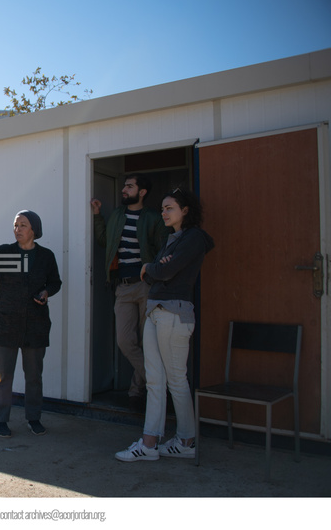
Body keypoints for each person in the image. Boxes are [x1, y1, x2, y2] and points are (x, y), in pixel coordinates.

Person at [115, 188, 214, 462]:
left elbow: (163, 271)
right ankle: (149, 444)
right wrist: (155, 268)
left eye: (169, 208)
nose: (164, 212)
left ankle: (186, 441)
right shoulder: (172, 239)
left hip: (174, 314)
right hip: (155, 311)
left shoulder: (193, 238)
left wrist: (152, 267)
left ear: (185, 210)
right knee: (155, 380)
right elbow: (155, 273)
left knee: (176, 381)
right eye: (162, 208)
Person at [0, 211, 62, 438]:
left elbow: (55, 282)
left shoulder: (46, 256)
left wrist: (46, 292)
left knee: (34, 377)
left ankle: (34, 418)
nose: (17, 229)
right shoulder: (6, 252)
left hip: (35, 326)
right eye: (15, 225)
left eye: (23, 225)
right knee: (3, 377)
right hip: (6, 325)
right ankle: (1, 421)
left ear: (34, 229)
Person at [91, 174, 168, 410]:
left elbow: (163, 250)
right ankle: (159, 383)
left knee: (148, 342)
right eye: (124, 185)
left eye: (130, 186)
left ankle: (136, 391)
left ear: (142, 192)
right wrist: (97, 216)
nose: (124, 189)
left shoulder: (153, 217)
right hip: (122, 287)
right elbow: (104, 241)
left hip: (147, 285)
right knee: (125, 341)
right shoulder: (117, 215)